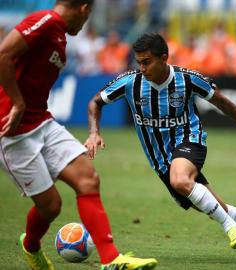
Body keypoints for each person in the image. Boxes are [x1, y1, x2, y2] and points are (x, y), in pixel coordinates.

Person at [85, 33, 236, 262]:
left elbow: (221, 101)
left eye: (146, 62)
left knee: (180, 180)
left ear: (164, 58)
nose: (141, 68)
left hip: (190, 139)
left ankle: (230, 227)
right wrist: (93, 132)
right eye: (138, 62)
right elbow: (95, 102)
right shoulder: (131, 82)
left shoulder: (187, 79)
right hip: (160, 160)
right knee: (212, 206)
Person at [0, 1, 158, 269]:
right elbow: (2, 54)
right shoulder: (46, 21)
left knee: (88, 179)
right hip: (11, 130)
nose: (85, 25)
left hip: (41, 121)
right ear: (84, 9)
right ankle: (31, 245)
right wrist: (17, 102)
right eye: (88, 18)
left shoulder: (60, 34)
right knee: (51, 206)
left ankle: (111, 260)